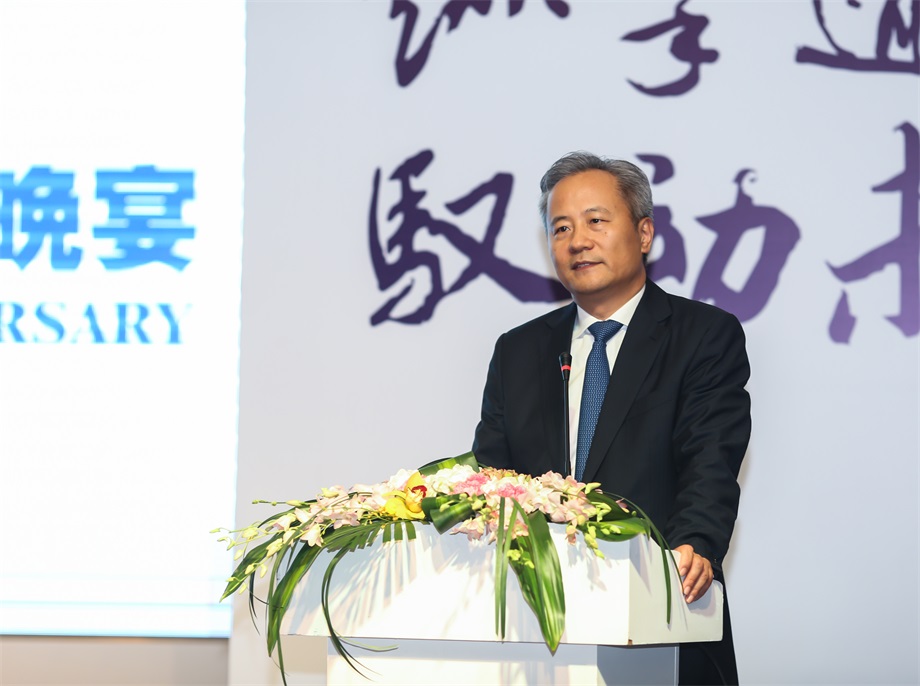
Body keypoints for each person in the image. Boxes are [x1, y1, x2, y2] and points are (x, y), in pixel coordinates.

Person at [472, 151, 751, 685]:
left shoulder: (702, 336)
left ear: (644, 233)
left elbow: (710, 458)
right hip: (535, 627)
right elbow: (493, 479)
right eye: (561, 228)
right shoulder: (518, 351)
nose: (578, 240)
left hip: (661, 608)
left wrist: (695, 542)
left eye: (596, 221)